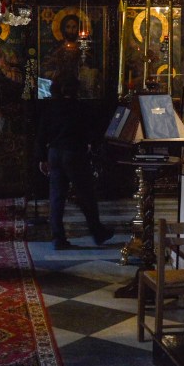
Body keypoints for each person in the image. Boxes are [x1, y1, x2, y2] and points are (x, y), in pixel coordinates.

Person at [35, 74, 113, 250]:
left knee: (56, 197)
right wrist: (91, 144)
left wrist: (41, 157)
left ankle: (58, 238)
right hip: (74, 153)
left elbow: (41, 134)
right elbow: (91, 131)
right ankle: (97, 232)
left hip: (54, 153)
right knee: (86, 194)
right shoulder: (81, 107)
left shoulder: (50, 107)